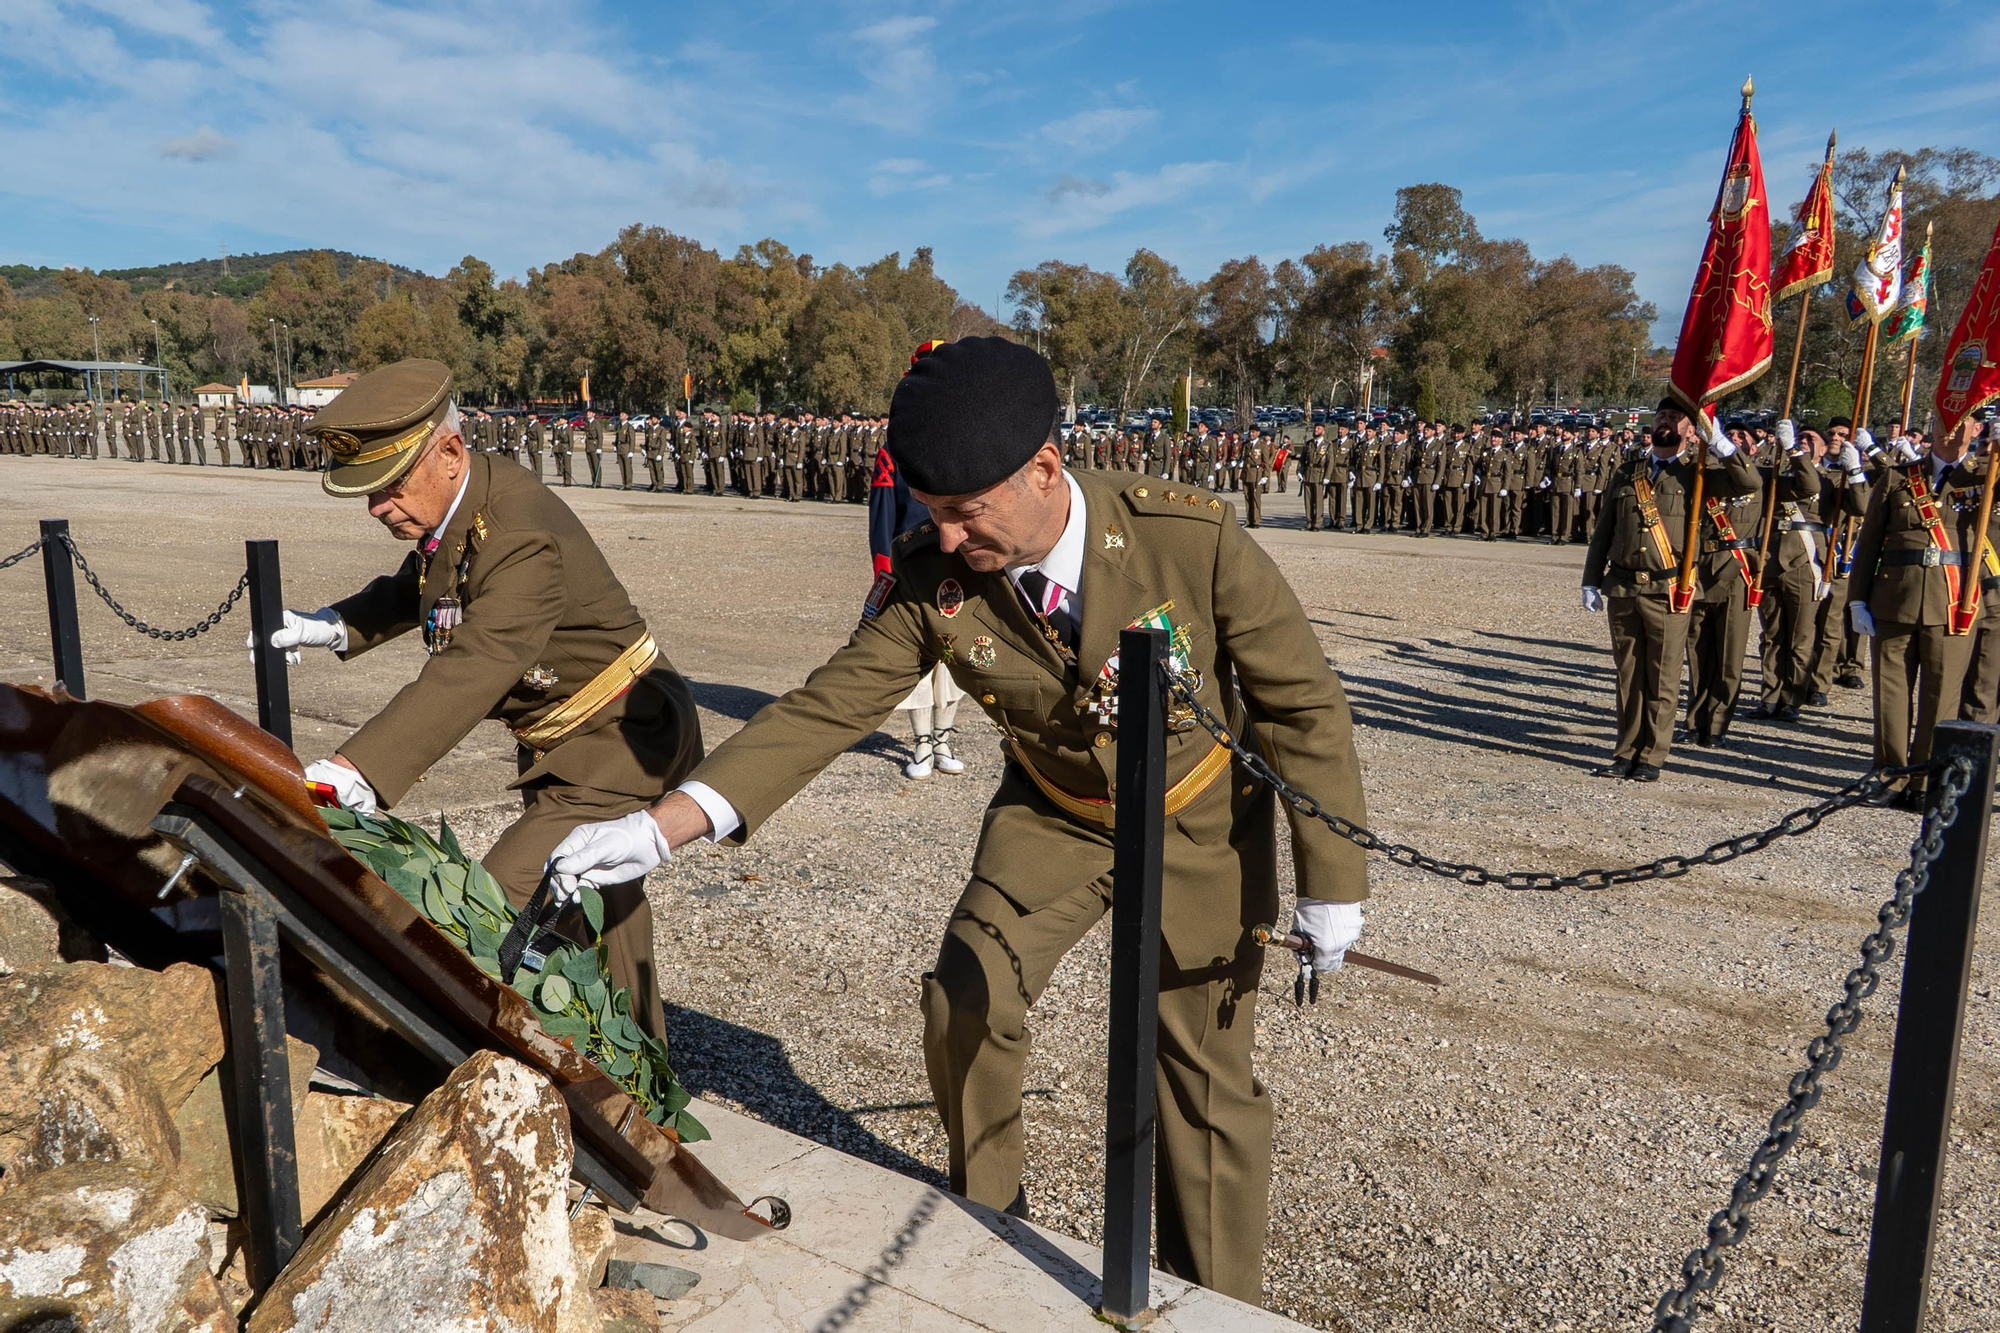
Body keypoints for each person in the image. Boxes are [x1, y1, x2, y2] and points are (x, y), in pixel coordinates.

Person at [547, 337, 1371, 1304]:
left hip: (1199, 821)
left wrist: (1333, 883)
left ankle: (1216, 1300)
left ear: (1044, 472)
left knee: (1200, 1074)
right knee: (965, 996)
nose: (945, 538)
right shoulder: (934, 580)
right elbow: (826, 708)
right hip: (1055, 813)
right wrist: (659, 828)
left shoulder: (1186, 538)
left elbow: (1301, 703)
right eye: (932, 514)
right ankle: (990, 1224)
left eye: (965, 513)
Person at [255, 359, 702, 1040]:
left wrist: (361, 768)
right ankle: (640, 1071)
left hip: (624, 734)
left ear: (449, 452)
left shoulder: (517, 526)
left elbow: (484, 656)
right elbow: (427, 581)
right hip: (574, 738)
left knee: (493, 904)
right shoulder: (467, 500)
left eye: (390, 485)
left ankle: (519, 1065)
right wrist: (339, 624)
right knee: (602, 899)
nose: (377, 507)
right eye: (369, 491)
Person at [1580, 400, 1757, 780]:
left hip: (1670, 589)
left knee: (1663, 676)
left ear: (1692, 431)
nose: (1666, 422)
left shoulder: (1698, 473)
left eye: (1677, 418)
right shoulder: (1629, 473)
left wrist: (1722, 443)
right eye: (1662, 416)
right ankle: (1625, 751)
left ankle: (1652, 756)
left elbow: (1750, 483)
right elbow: (1604, 531)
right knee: (1628, 675)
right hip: (1624, 587)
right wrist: (1591, 580)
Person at [1848, 417, 1996, 808]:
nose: (1948, 428)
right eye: (1942, 419)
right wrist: (1857, 598)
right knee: (1890, 693)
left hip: (1953, 603)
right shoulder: (1899, 478)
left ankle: (1926, 782)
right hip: (1893, 597)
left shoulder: (1987, 474)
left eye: (1960, 420)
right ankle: (1889, 776)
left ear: (1977, 430)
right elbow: (1869, 541)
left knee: (1941, 697)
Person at [868, 423, 967, 779]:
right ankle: (922, 743)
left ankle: (942, 740)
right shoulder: (893, 454)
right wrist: (885, 572)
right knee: (917, 658)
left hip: (958, 565)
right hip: (911, 568)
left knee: (957, 656)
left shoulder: (964, 444)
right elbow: (882, 517)